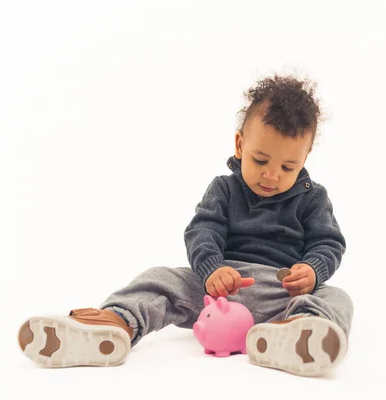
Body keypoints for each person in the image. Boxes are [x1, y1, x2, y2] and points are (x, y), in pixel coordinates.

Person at [18, 73, 353, 377]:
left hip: (281, 291)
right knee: (160, 279)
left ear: (304, 160)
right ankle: (116, 323)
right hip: (220, 287)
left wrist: (312, 270)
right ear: (239, 145)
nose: (271, 175)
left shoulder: (313, 198)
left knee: (337, 298)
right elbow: (202, 231)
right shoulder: (224, 188)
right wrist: (211, 270)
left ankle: (299, 331)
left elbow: (328, 243)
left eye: (287, 167)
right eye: (260, 160)